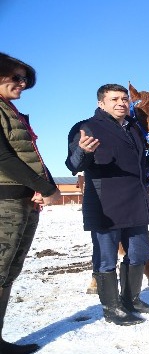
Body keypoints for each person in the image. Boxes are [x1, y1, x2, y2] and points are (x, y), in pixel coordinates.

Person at [66, 84, 149, 327]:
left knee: (139, 252)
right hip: (105, 202)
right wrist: (81, 152)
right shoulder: (87, 126)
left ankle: (132, 299)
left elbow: (139, 162)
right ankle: (112, 308)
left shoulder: (133, 128)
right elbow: (73, 165)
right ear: (102, 103)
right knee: (107, 258)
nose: (121, 102)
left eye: (123, 99)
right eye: (114, 99)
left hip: (135, 200)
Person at [0, 53, 61, 354]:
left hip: (22, 201)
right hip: (3, 204)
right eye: (16, 77)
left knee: (8, 272)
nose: (22, 83)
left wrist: (41, 186)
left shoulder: (11, 110)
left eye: (25, 79)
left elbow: (31, 155)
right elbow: (3, 158)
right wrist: (46, 187)